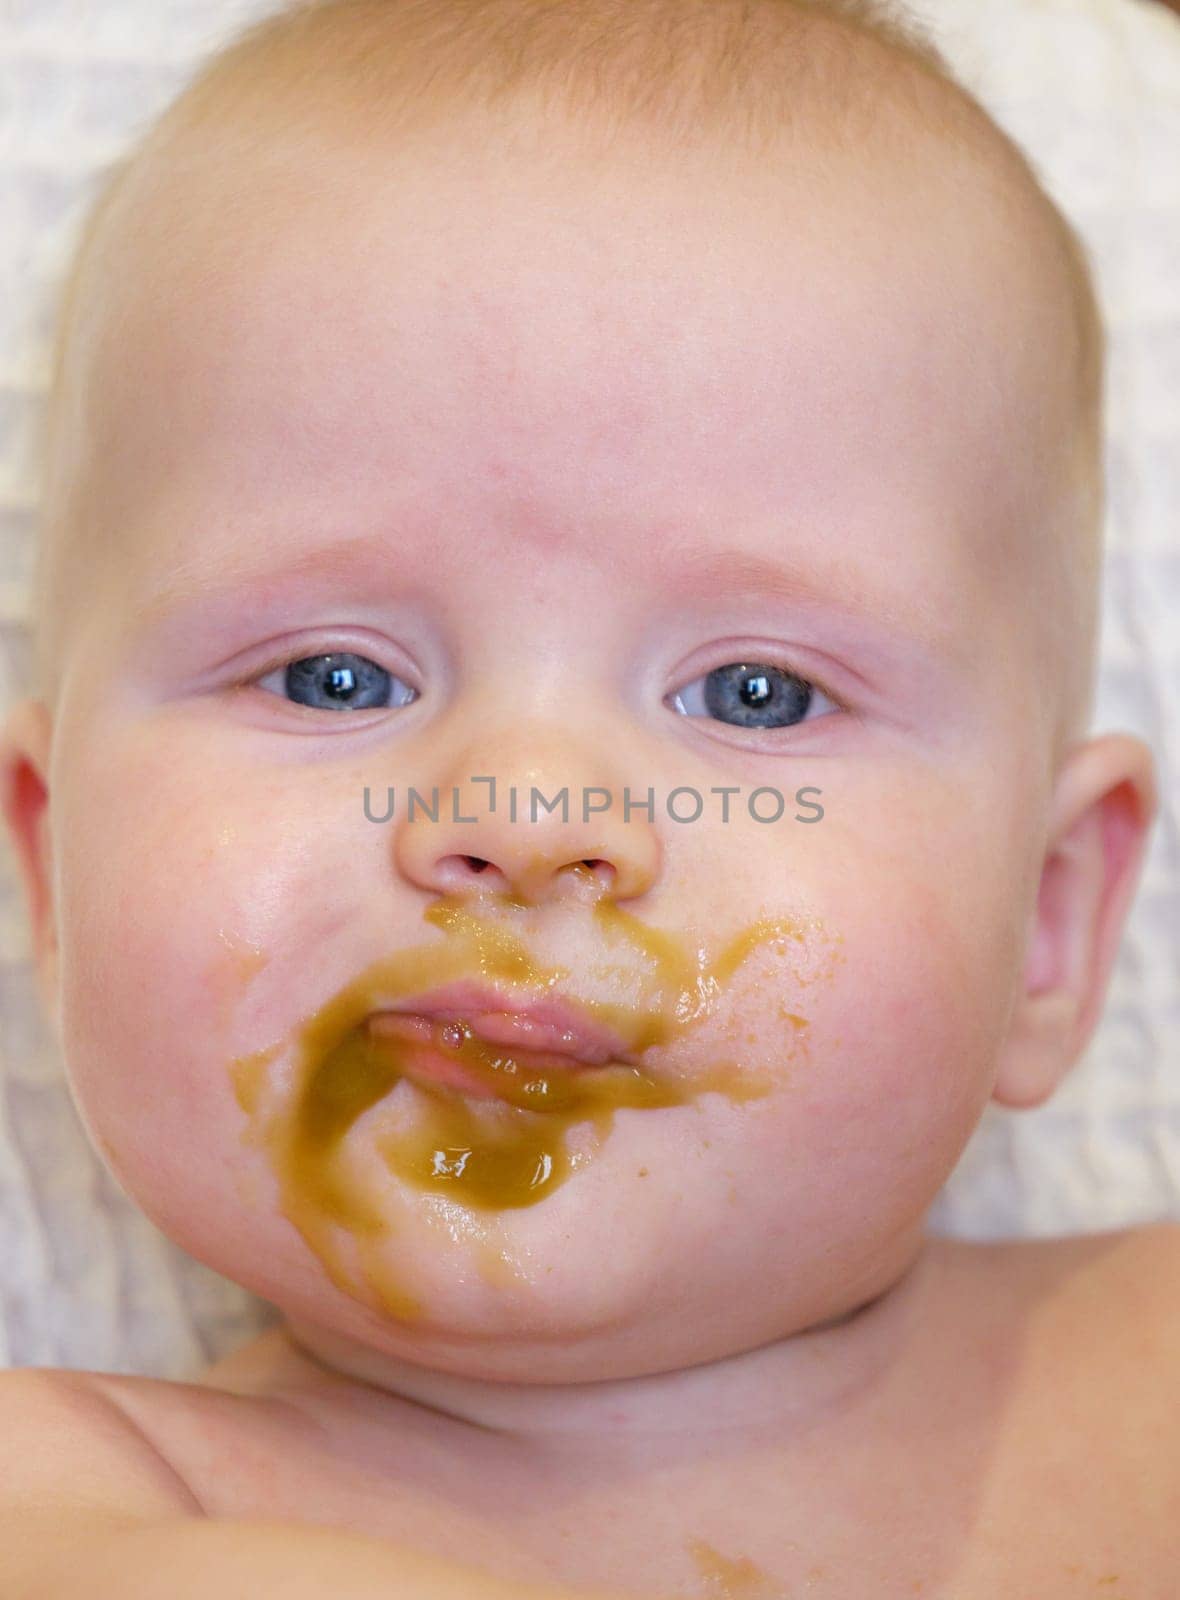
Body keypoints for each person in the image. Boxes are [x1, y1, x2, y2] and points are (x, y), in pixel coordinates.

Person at [0, 0, 1173, 1594]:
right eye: (334, 677)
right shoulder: (78, 1510)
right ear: (56, 871)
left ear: (1046, 925)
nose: (533, 817)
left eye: (757, 695)